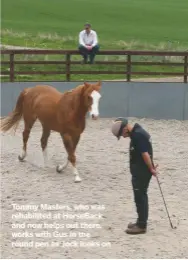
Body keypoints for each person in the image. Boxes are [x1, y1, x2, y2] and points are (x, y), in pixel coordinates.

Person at [111, 117, 158, 234]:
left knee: (140, 197)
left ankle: (142, 225)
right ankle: (140, 221)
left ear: (125, 129)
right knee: (140, 196)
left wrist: (151, 168)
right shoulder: (138, 131)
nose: (123, 137)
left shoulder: (137, 135)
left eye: (121, 134)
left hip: (141, 172)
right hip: (141, 171)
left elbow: (145, 154)